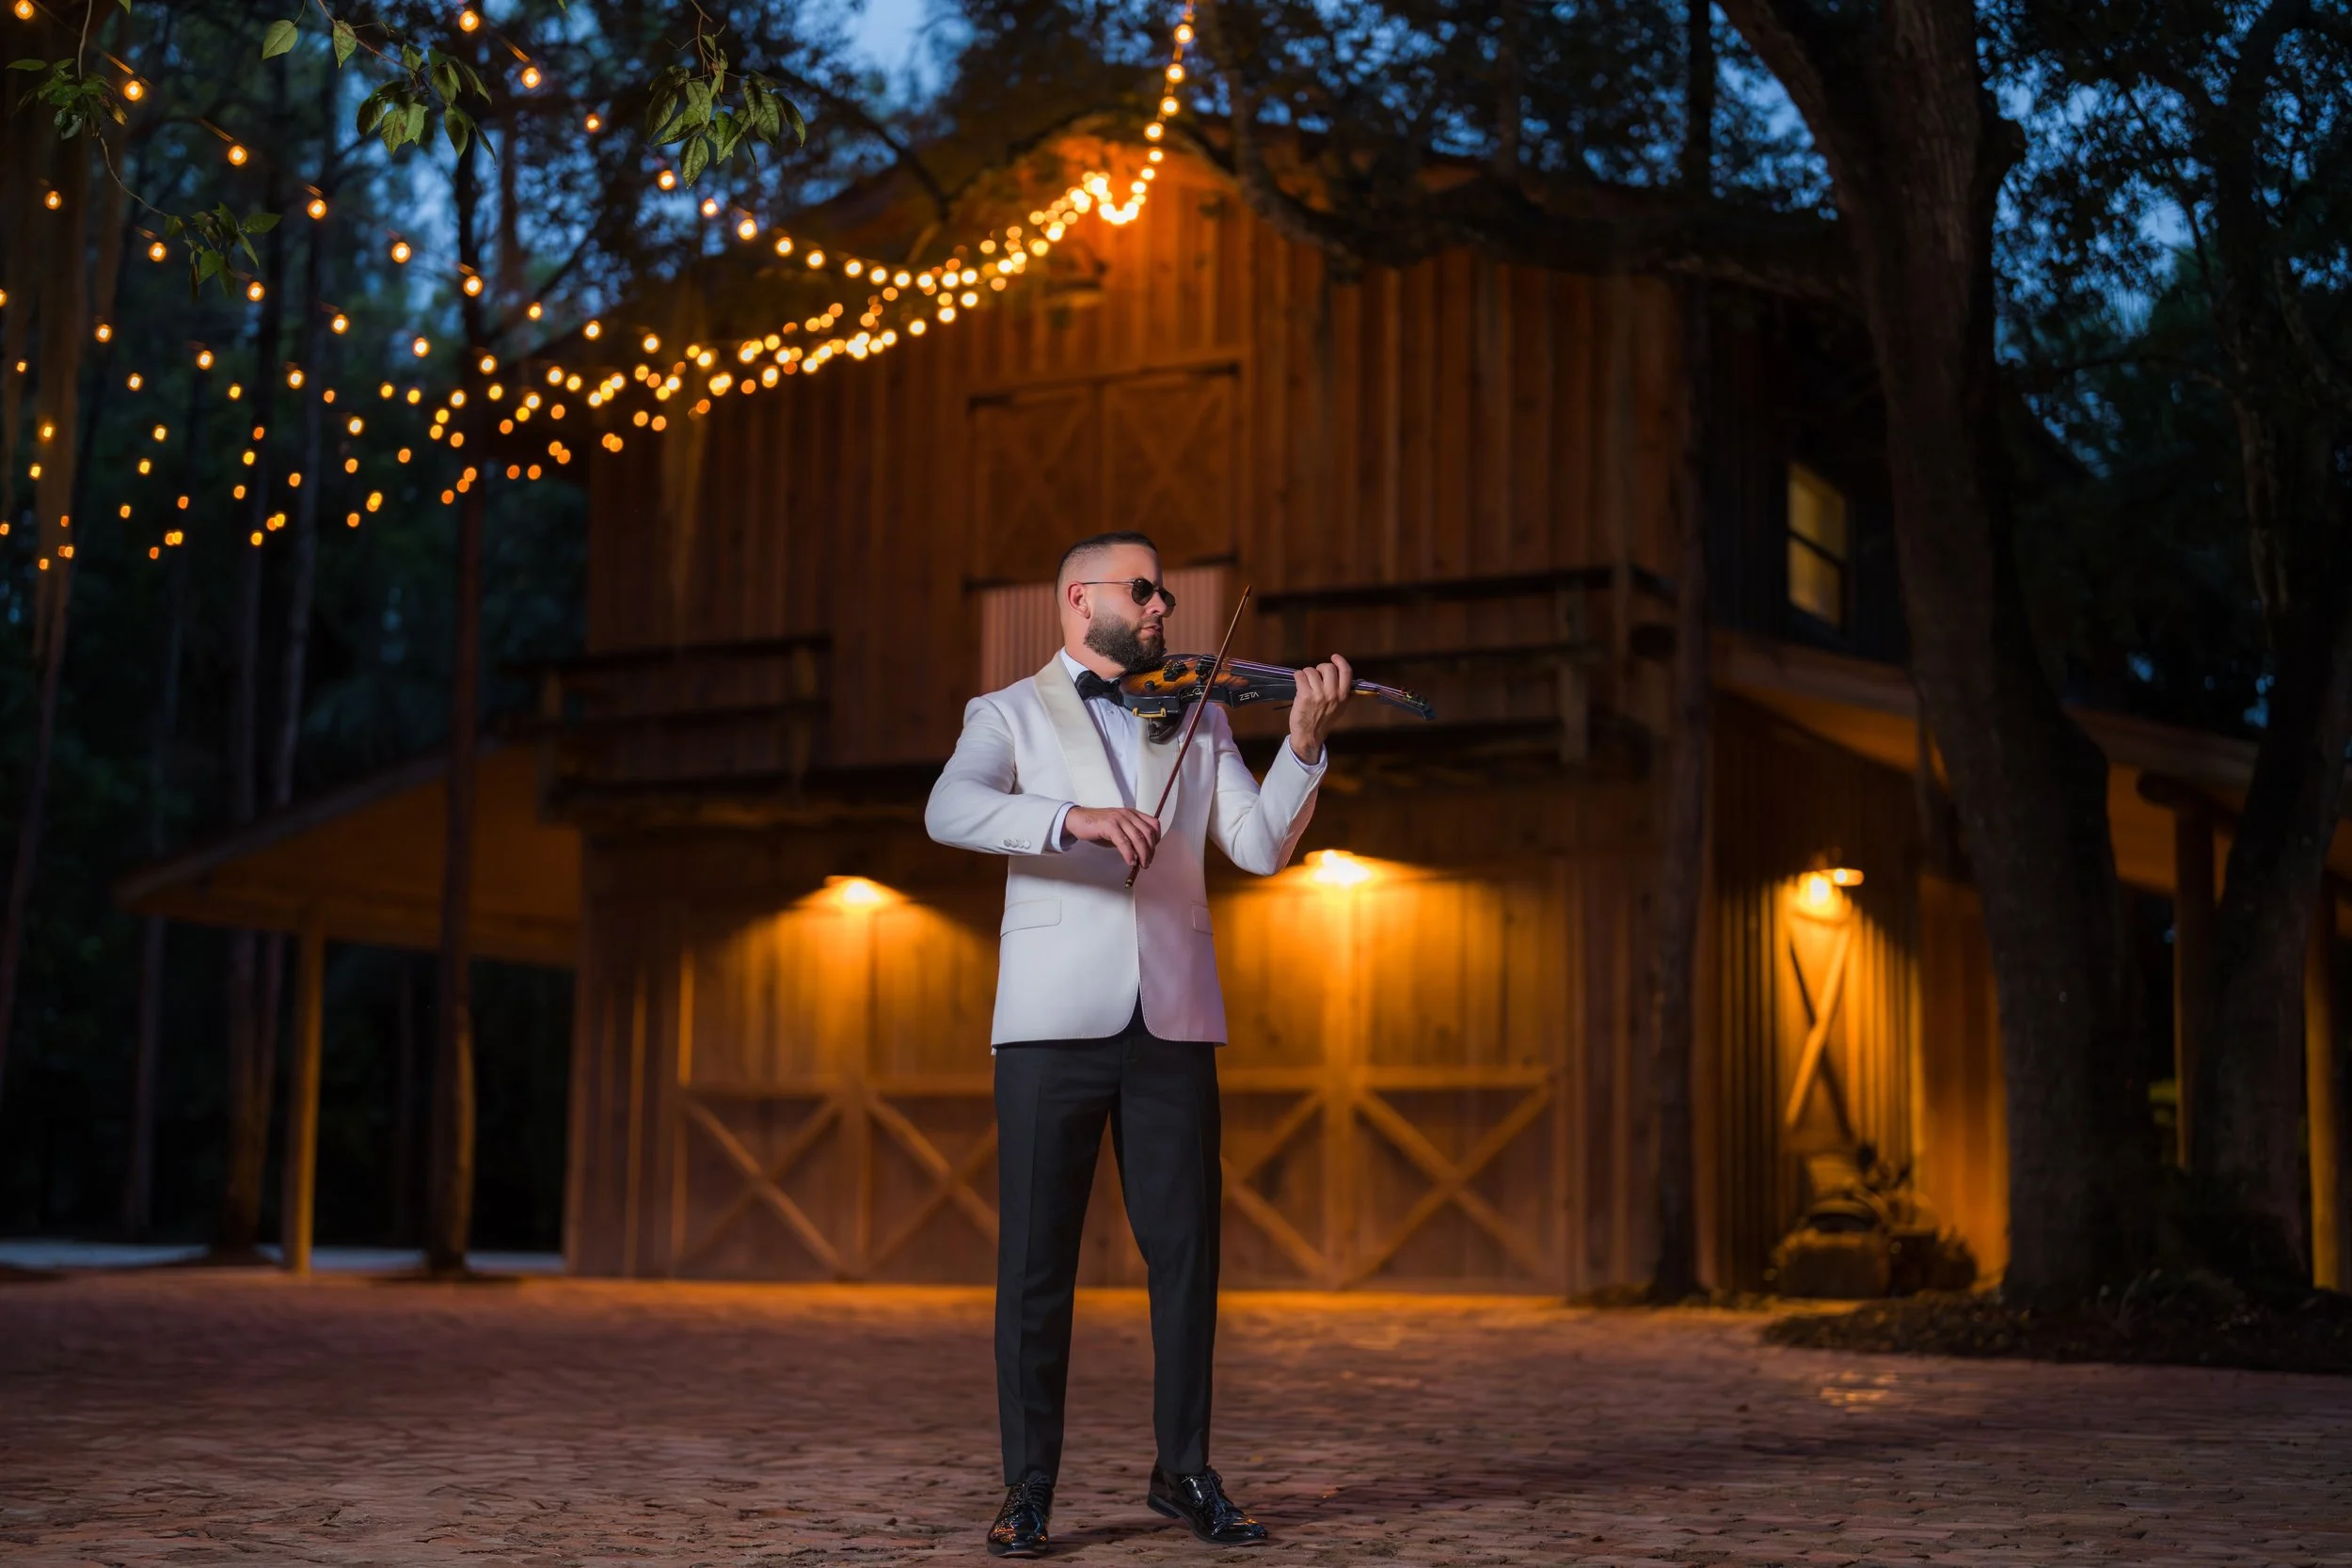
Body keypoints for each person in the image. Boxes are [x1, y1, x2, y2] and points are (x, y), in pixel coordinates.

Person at [924, 531, 1354, 1558]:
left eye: (1164, 591)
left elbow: (1253, 846)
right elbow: (949, 808)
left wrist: (1300, 744)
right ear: (1080, 598)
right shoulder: (1007, 712)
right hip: (1047, 1026)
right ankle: (1027, 1487)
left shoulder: (1198, 714)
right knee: (1035, 1264)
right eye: (1144, 589)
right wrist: (1068, 817)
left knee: (1187, 1256)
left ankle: (1184, 1469)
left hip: (1171, 1018)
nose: (1164, 606)